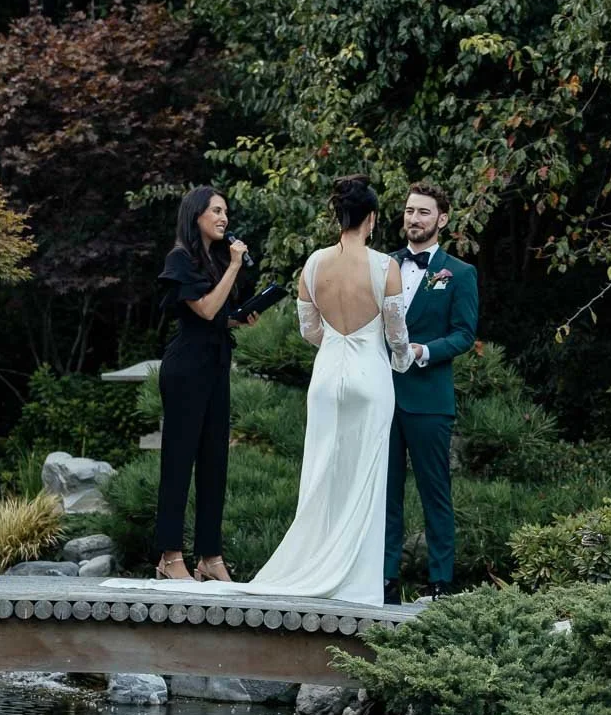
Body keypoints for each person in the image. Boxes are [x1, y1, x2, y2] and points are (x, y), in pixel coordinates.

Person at [199, 175, 414, 606]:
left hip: (327, 375)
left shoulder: (313, 264)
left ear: (338, 217)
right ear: (371, 219)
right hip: (370, 377)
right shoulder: (384, 266)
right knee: (366, 478)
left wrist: (336, 345)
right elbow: (397, 335)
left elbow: (309, 329)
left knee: (320, 474)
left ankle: (314, 563)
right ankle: (356, 583)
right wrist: (402, 360)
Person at [384, 182, 479, 602]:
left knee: (434, 491)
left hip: (429, 399)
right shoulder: (383, 264)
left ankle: (441, 580)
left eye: (423, 212)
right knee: (384, 493)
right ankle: (384, 576)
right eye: (409, 211)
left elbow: (463, 334)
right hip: (383, 396)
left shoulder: (459, 273)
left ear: (442, 219)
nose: (414, 219)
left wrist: (424, 350)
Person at [153, 185, 252, 583]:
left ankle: (209, 556)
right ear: (195, 215)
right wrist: (233, 267)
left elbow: (217, 315)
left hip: (215, 365)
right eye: (215, 211)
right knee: (179, 460)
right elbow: (206, 308)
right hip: (186, 368)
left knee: (215, 463)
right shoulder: (181, 259)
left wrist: (241, 316)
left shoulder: (211, 261)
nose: (223, 218)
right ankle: (170, 554)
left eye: (226, 211)